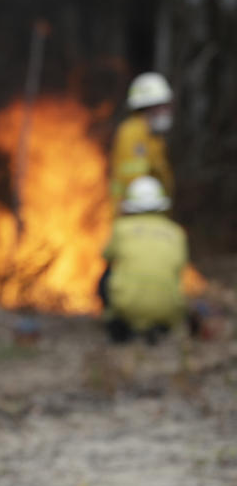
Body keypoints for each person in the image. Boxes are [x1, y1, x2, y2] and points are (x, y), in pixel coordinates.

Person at [97, 175, 188, 344]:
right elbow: (179, 269)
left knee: (105, 275)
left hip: (126, 307)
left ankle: (116, 324)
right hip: (169, 309)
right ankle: (159, 324)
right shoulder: (176, 232)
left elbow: (105, 257)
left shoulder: (121, 228)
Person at [109, 71, 175, 214]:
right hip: (131, 210)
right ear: (147, 107)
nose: (166, 111)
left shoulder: (153, 137)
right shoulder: (132, 133)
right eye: (161, 106)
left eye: (166, 105)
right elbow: (133, 178)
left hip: (150, 209)